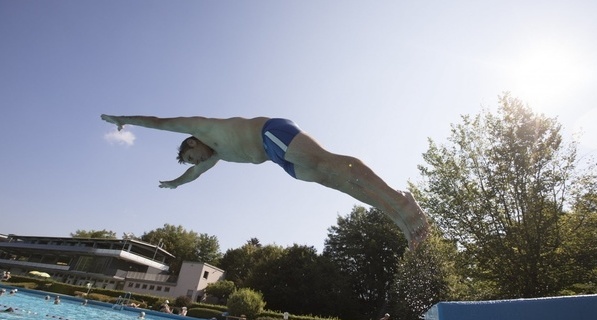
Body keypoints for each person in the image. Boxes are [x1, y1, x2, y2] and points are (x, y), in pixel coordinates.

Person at [101, 114, 429, 251]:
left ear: (191, 144)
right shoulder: (215, 156)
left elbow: (160, 123)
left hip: (271, 133)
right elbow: (195, 174)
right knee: (337, 183)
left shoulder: (204, 130)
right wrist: (176, 182)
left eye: (191, 157)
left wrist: (125, 120)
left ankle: (401, 199)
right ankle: (398, 214)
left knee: (327, 163)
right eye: (193, 163)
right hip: (279, 159)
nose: (196, 162)